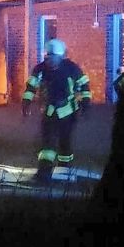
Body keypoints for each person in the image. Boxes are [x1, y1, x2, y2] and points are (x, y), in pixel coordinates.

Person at [21, 38, 92, 184]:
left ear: (60, 56)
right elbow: (31, 87)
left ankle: (64, 169)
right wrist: (26, 102)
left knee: (65, 142)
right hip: (49, 111)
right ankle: (44, 172)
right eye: (47, 57)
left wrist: (86, 104)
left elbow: (84, 85)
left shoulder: (72, 68)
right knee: (47, 143)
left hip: (68, 113)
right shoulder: (40, 69)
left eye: (52, 57)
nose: (49, 61)